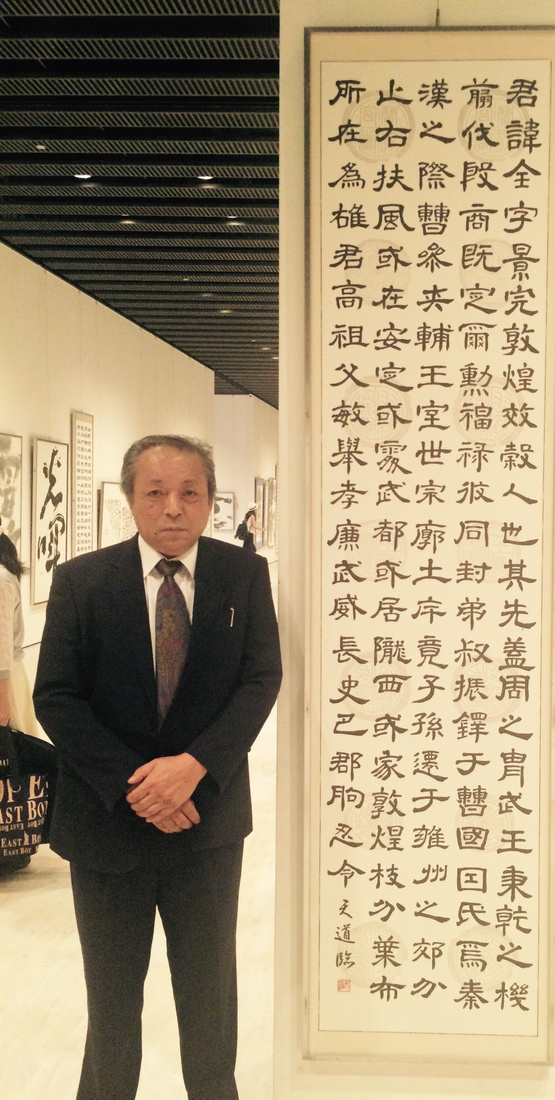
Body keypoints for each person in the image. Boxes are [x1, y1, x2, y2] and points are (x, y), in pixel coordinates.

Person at [33, 434, 282, 1100]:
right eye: (156, 492)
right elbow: (55, 695)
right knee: (111, 1007)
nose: (173, 507)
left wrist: (194, 767)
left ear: (208, 499)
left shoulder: (243, 575)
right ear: (130, 498)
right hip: (107, 826)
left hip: (207, 824)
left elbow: (261, 679)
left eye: (189, 492)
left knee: (210, 1004)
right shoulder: (82, 581)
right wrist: (138, 785)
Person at [0, 513, 38, 873]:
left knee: (9, 763)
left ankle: (12, 844)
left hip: (4, 681)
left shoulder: (0, 579)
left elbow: (0, 648)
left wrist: (2, 702)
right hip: (7, 679)